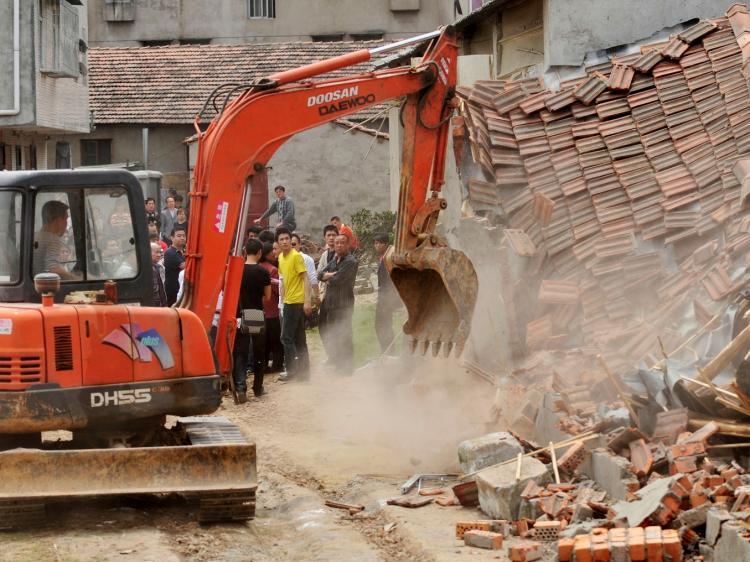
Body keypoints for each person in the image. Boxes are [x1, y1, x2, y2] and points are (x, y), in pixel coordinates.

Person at [234, 238, 271, 401]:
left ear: (244, 251)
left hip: (239, 315)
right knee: (258, 352)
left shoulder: (237, 270)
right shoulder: (263, 272)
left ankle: (241, 387)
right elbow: (268, 296)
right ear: (259, 252)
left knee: (240, 352)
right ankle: (258, 388)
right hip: (257, 314)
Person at [318, 234, 358, 373]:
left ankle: (347, 367)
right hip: (330, 302)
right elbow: (319, 274)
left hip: (343, 304)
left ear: (348, 245)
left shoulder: (350, 261)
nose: (339, 245)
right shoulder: (335, 259)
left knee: (344, 334)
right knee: (334, 333)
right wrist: (329, 275)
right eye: (337, 243)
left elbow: (338, 280)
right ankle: (339, 363)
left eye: (342, 243)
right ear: (333, 245)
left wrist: (328, 277)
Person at [276, 228, 311, 381]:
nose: (284, 241)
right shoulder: (281, 259)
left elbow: (306, 279)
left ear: (291, 240)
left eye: (286, 238)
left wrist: (307, 301)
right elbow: (283, 281)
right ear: (277, 242)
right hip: (288, 302)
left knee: (285, 337)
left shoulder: (296, 257)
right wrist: (282, 302)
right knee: (299, 339)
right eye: (281, 239)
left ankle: (292, 370)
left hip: (296, 302)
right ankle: (304, 373)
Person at [33, 200, 80, 280]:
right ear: (59, 221)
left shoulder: (34, 236)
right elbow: (53, 269)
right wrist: (77, 279)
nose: (66, 223)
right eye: (66, 219)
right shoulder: (52, 239)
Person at [373, 233, 401, 353]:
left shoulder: (389, 258)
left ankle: (389, 352)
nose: (376, 246)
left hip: (388, 297)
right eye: (374, 243)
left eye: (378, 243)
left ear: (385, 244)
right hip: (384, 296)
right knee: (380, 325)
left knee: (382, 324)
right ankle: (386, 351)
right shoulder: (383, 257)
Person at [260, 242, 284, 373]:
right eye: (272, 251)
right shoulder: (273, 270)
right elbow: (277, 290)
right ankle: (277, 365)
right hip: (273, 309)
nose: (274, 253)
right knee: (276, 341)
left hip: (261, 310)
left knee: (263, 342)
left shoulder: (258, 267)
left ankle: (263, 366)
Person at [290, 233, 319, 304]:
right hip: (289, 300)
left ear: (299, 245)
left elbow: (313, 279)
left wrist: (317, 297)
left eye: (293, 244)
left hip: (303, 300)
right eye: (289, 244)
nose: (291, 246)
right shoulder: (282, 259)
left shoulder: (306, 259)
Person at [164, 225, 187, 305]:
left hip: (183, 290)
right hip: (173, 293)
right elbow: (185, 266)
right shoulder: (170, 252)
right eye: (179, 236)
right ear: (172, 238)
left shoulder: (184, 251)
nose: (182, 238)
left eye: (184, 236)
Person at [316, 224, 338, 304]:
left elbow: (339, 274)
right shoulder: (324, 255)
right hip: (324, 293)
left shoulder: (340, 254)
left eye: (334, 235)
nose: (331, 238)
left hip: (338, 294)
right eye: (329, 235)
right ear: (324, 238)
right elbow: (318, 273)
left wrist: (324, 275)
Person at [151, 242, 167, 306]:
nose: (159, 255)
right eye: (156, 252)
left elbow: (161, 289)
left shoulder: (158, 267)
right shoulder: (146, 269)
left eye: (160, 252)